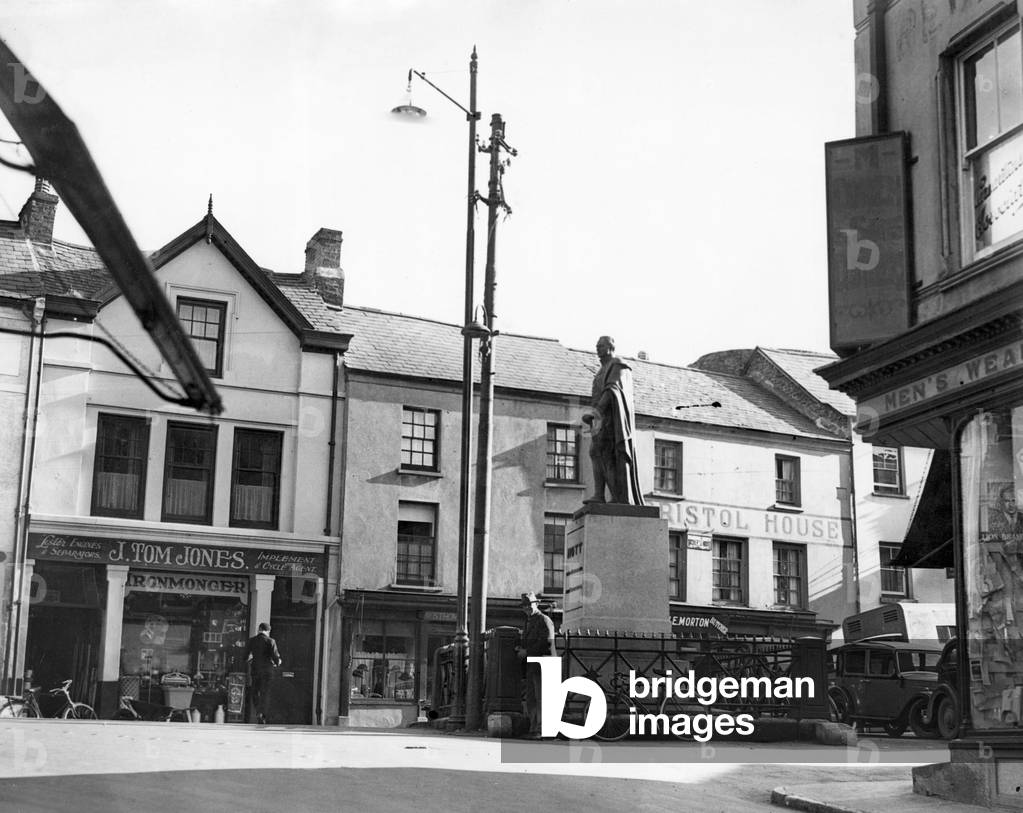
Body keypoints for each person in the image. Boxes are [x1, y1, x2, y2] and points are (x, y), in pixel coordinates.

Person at [582, 335, 644, 506]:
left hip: (611, 421)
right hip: (600, 421)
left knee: (606, 455)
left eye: (601, 346)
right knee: (595, 452)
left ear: (610, 348)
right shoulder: (601, 370)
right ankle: (599, 495)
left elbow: (612, 390)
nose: (597, 349)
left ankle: (617, 497)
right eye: (596, 346)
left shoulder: (617, 364)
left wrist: (596, 412)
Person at [514, 592, 556, 739]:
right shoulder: (529, 621)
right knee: (532, 697)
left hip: (544, 662)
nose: (527, 608)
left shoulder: (544, 620)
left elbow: (547, 642)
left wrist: (527, 651)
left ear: (536, 604)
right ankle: (534, 728)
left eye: (529, 605)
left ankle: (542, 729)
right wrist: (521, 647)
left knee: (542, 697)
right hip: (534, 664)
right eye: (524, 606)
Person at [245, 622, 281, 724]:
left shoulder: (252, 641)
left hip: (255, 670)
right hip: (267, 671)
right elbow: (275, 658)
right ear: (268, 631)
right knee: (265, 693)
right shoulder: (271, 641)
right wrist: (278, 662)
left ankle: (258, 711)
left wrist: (250, 659)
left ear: (259, 629)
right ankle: (262, 714)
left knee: (255, 691)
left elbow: (245, 657)